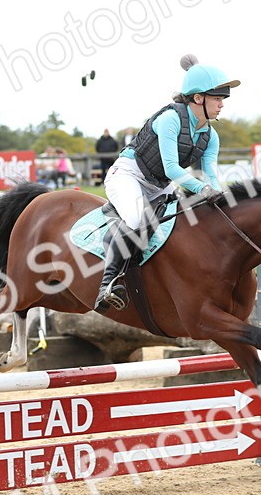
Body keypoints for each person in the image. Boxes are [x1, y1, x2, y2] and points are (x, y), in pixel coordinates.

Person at [95, 54, 237, 312]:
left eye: (222, 99)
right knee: (137, 220)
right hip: (129, 175)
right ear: (197, 98)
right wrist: (202, 189)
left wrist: (216, 192)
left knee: (185, 222)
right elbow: (172, 168)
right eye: (217, 98)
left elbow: (210, 174)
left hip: (160, 184)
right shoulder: (171, 119)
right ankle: (108, 284)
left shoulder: (210, 136)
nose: (222, 105)